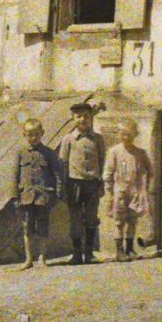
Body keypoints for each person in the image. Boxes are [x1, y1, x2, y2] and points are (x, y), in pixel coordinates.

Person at [14, 117, 64, 269]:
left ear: (42, 133)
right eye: (30, 135)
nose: (33, 137)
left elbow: (57, 174)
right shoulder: (20, 153)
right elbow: (14, 175)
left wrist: (57, 193)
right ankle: (28, 259)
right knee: (27, 228)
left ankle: (42, 257)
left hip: (43, 196)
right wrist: (14, 196)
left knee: (43, 227)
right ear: (24, 135)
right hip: (26, 196)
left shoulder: (48, 153)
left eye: (36, 134)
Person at [60, 99, 106, 264]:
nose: (83, 119)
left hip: (92, 183)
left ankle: (89, 253)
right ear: (73, 118)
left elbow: (102, 161)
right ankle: (77, 253)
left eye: (86, 116)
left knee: (91, 217)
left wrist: (101, 183)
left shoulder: (97, 139)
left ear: (91, 118)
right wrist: (63, 186)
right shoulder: (68, 139)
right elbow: (63, 162)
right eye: (78, 116)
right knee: (75, 218)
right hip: (74, 184)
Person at [104, 116, 155, 261]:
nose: (126, 137)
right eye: (123, 134)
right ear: (118, 134)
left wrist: (147, 188)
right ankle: (119, 251)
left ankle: (130, 248)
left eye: (129, 134)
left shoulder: (140, 153)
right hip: (119, 190)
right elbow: (108, 173)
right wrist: (109, 191)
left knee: (132, 221)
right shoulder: (114, 151)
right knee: (119, 222)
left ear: (135, 135)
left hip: (135, 191)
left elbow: (150, 171)